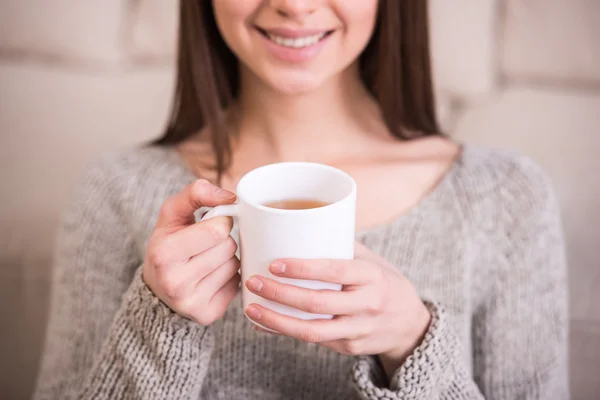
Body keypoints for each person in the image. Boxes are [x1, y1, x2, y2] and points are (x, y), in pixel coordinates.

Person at [34, 1, 569, 399]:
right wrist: (157, 318)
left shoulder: (504, 195)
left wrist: (413, 342)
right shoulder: (115, 189)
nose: (294, 4)